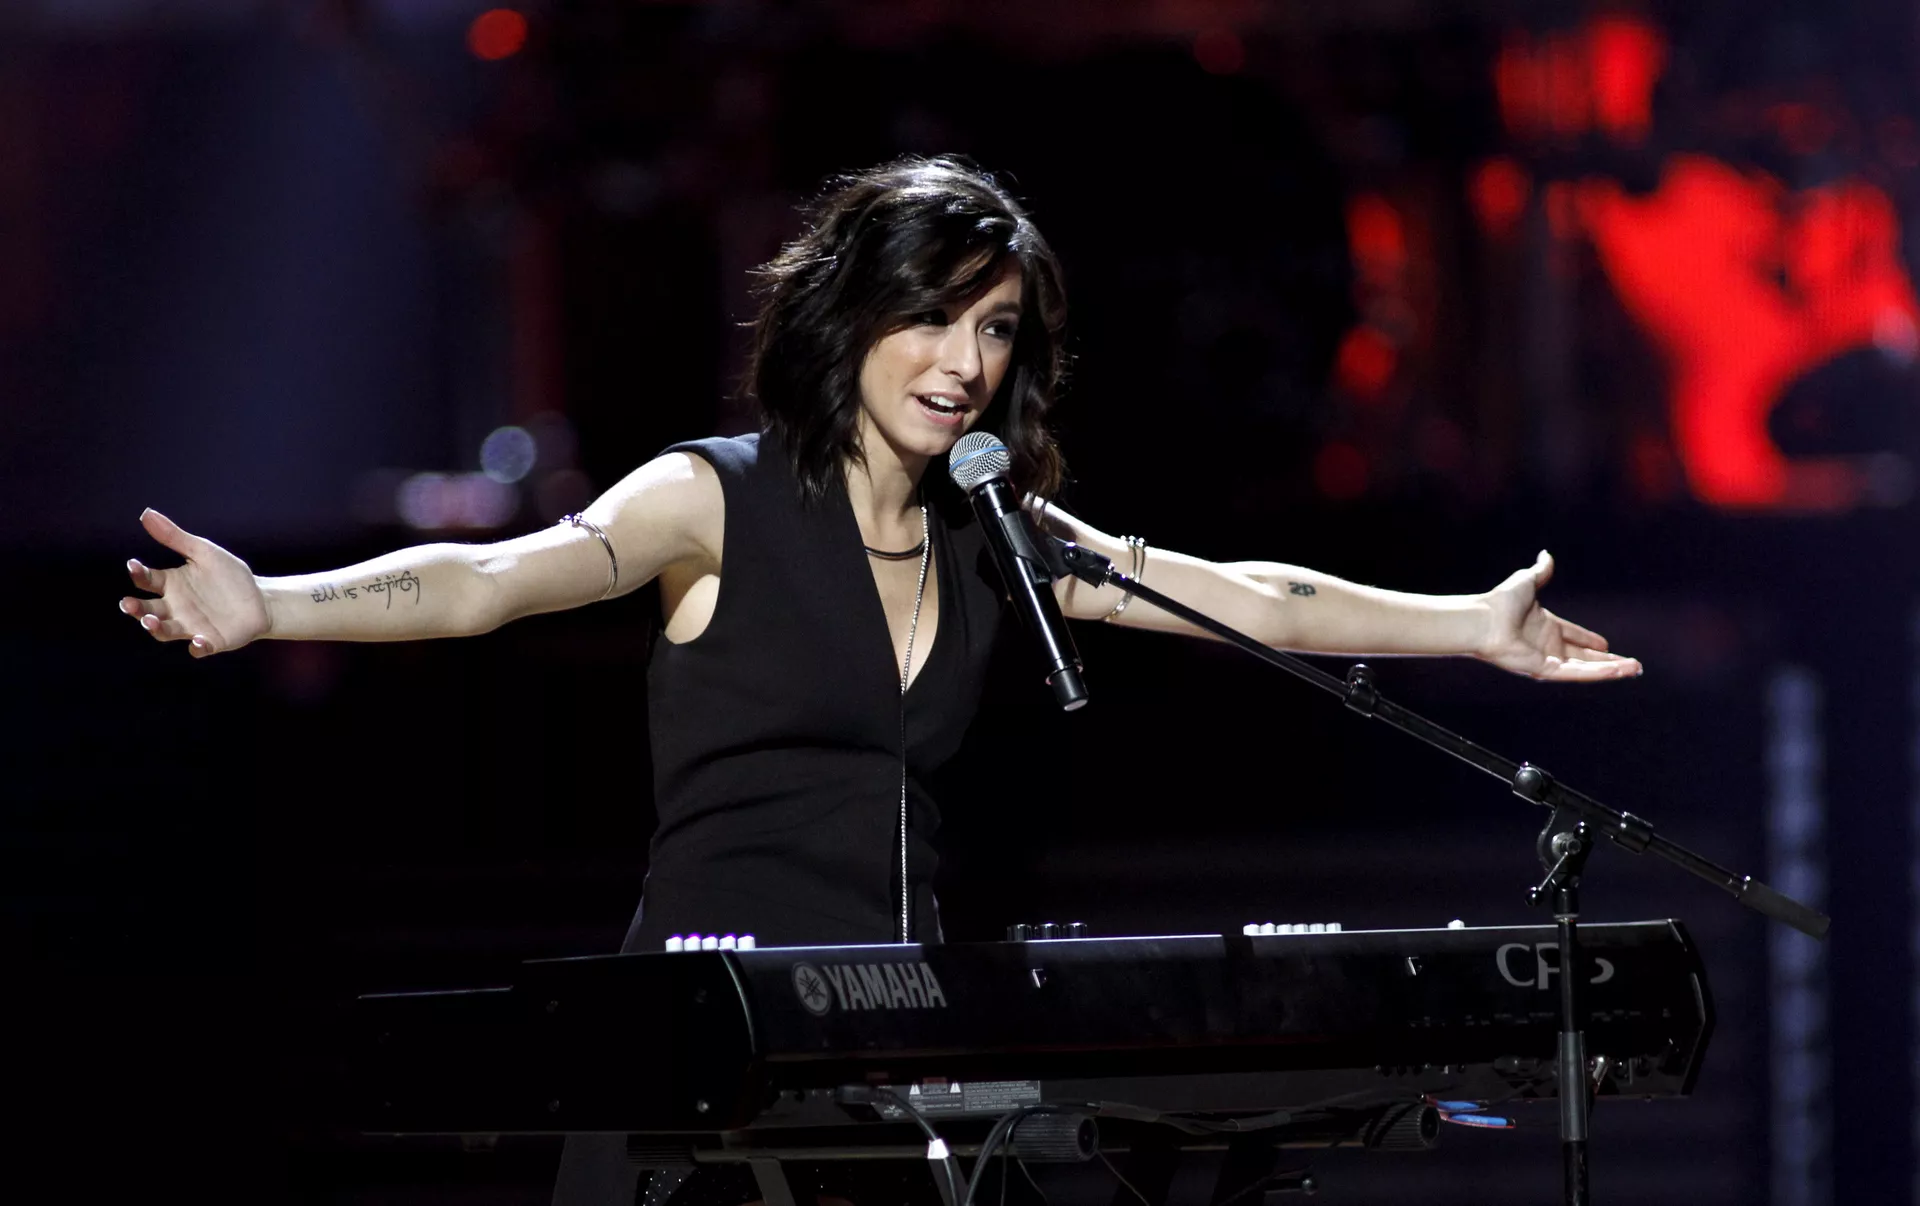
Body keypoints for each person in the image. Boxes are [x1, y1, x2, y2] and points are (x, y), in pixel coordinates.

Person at [119, 156, 1640, 1205]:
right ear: (853, 314)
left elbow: (1237, 594)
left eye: (994, 329)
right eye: (931, 316)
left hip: (899, 1058)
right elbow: (490, 579)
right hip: (700, 1050)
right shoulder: (713, 498)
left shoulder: (996, 533)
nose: (962, 362)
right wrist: (271, 606)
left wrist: (1469, 624)